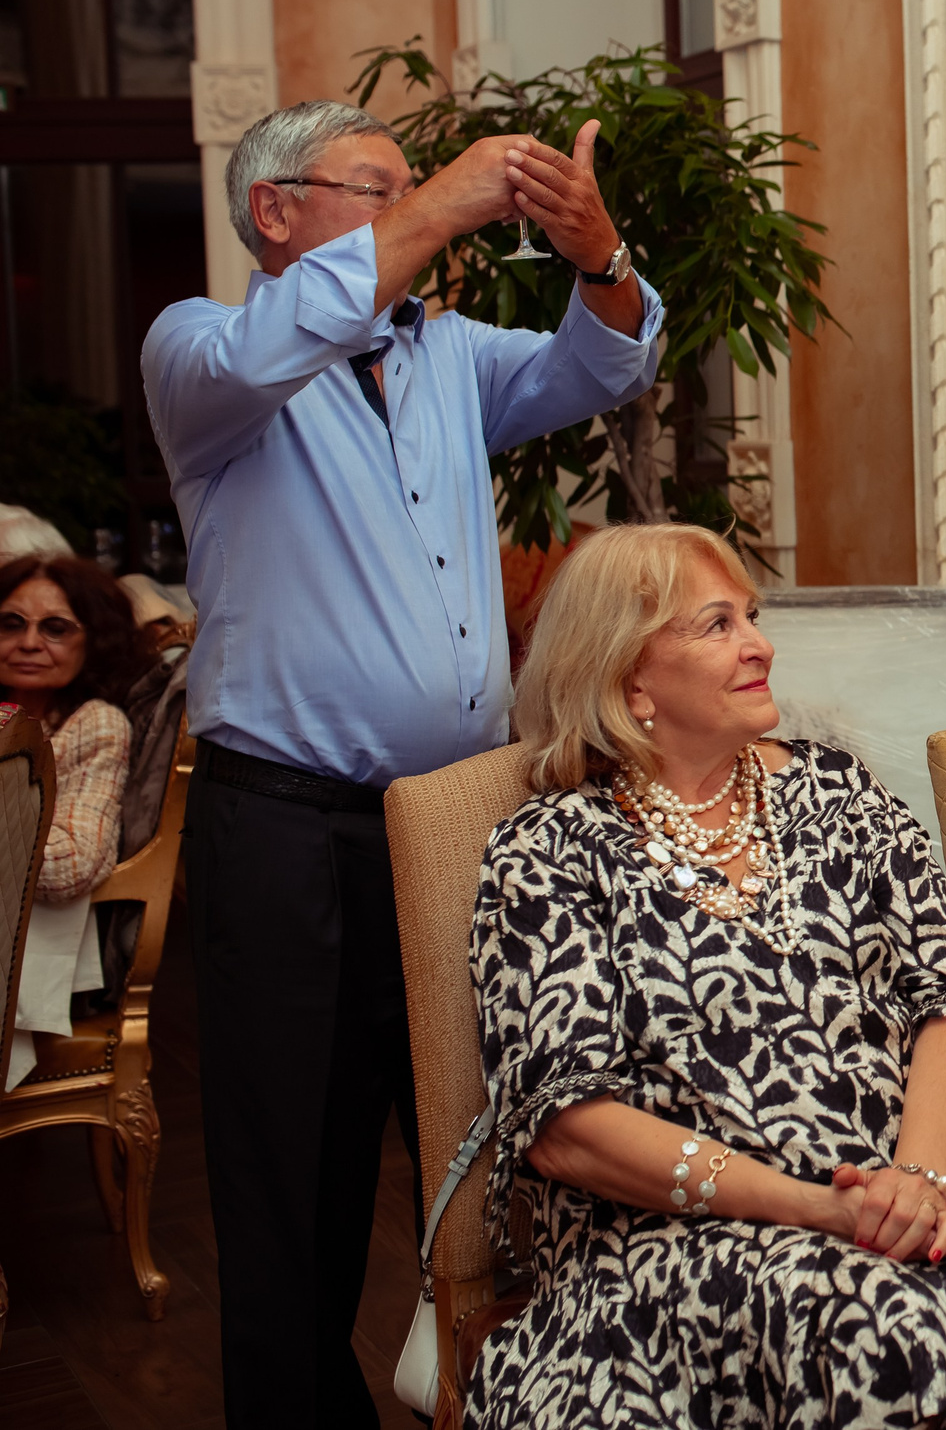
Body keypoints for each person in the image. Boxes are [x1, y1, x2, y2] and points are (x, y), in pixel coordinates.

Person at [140, 98, 664, 1429]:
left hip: (458, 820)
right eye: (377, 188)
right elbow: (269, 350)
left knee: (473, 1144)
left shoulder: (447, 355)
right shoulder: (202, 351)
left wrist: (597, 252)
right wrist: (446, 196)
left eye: (410, 191)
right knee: (292, 1184)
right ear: (275, 211)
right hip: (286, 830)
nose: (415, 208)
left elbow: (604, 367)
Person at [475, 524, 946, 1429]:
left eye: (750, 616)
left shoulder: (841, 792)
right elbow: (568, 1128)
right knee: (887, 1332)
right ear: (631, 677)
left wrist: (917, 1178)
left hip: (903, 1181)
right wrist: (815, 1209)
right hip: (676, 1236)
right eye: (717, 625)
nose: (760, 643)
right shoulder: (551, 852)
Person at [1, 554, 144, 1089]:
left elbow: (76, 864)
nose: (30, 641)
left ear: (95, 640)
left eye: (55, 627)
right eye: (10, 623)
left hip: (27, 955)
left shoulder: (95, 724)